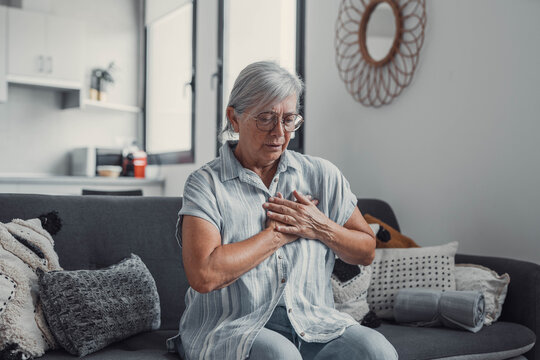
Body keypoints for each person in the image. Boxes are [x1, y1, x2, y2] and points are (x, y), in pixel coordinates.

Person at [168, 61, 398, 360]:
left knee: (377, 351)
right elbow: (204, 274)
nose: (279, 132)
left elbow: (366, 250)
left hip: (314, 322)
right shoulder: (206, 184)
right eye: (265, 118)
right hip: (233, 326)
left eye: (289, 119)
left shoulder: (321, 175)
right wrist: (275, 236)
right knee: (282, 356)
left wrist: (320, 227)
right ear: (234, 119)